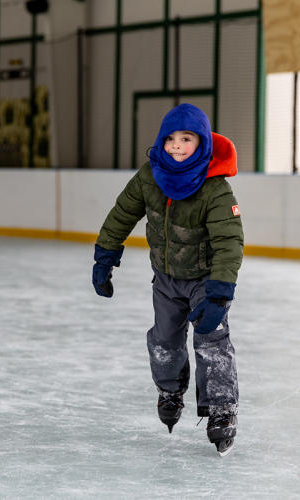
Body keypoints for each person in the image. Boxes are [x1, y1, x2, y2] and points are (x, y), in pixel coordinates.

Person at [91, 103, 244, 456]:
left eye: (186, 139)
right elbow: (122, 213)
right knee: (164, 340)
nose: (176, 146)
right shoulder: (150, 176)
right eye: (170, 138)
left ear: (202, 143)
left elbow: (229, 241)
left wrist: (220, 292)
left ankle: (221, 409)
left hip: (205, 281)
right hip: (166, 278)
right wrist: (105, 254)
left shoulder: (215, 189)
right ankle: (170, 390)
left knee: (212, 341)